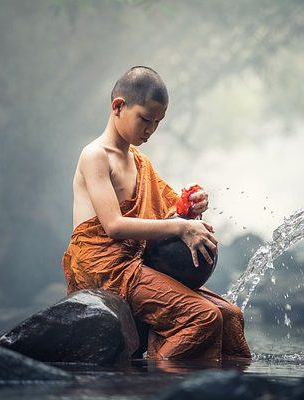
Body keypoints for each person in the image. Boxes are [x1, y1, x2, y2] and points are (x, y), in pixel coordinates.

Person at [62, 66, 251, 360]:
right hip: (107, 270)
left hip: (138, 264)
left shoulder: (140, 161)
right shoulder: (95, 155)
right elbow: (113, 226)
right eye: (145, 119)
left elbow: (172, 209)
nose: (150, 129)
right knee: (203, 318)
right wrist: (180, 228)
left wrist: (192, 204)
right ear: (118, 106)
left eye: (158, 122)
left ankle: (232, 388)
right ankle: (155, 380)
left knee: (229, 316)